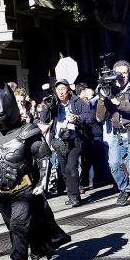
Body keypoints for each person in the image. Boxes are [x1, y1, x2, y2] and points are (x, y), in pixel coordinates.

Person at [0, 83, 70, 260]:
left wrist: (42, 183)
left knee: (18, 224)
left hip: (23, 188)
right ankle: (39, 245)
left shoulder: (28, 131)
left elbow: (44, 158)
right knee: (17, 227)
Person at [96, 60, 130, 206]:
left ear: (129, 73)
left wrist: (117, 102)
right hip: (117, 133)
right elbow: (100, 117)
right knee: (114, 164)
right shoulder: (110, 88)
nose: (121, 76)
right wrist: (103, 99)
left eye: (124, 72)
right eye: (118, 73)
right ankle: (124, 189)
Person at [40, 79, 92, 207]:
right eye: (58, 90)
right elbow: (43, 119)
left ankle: (74, 197)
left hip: (75, 140)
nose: (61, 92)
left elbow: (89, 116)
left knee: (71, 168)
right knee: (63, 170)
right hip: (59, 141)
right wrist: (46, 106)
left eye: (63, 89)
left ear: (68, 90)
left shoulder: (77, 101)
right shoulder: (54, 103)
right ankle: (71, 194)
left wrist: (78, 118)